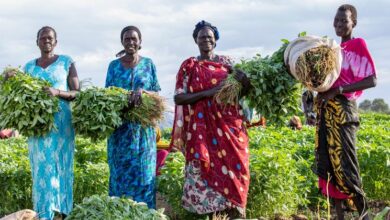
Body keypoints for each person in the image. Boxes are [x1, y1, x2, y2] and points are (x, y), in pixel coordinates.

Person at [170, 20, 251, 219]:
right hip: (201, 128)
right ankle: (213, 214)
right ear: (195, 40)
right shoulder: (189, 66)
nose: (206, 40)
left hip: (229, 125)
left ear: (215, 41)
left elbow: (244, 92)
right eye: (202, 37)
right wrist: (209, 93)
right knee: (206, 167)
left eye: (209, 37)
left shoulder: (228, 63)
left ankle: (234, 212)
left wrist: (244, 80)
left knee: (236, 166)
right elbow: (179, 97)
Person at [4, 26, 80, 220]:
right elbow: (20, 90)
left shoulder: (66, 62)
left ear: (56, 41)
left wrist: (58, 92)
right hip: (38, 127)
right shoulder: (29, 67)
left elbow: (77, 93)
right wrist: (10, 78)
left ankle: (62, 213)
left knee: (61, 167)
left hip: (61, 125)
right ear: (36, 42)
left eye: (50, 38)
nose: (46, 40)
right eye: (42, 38)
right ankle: (43, 214)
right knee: (41, 169)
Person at [315, 4, 377, 220]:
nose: (339, 24)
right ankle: (339, 216)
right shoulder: (331, 50)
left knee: (347, 166)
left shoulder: (357, 45)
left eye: (345, 21)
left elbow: (372, 80)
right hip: (326, 112)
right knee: (329, 165)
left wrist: (338, 90)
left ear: (354, 23)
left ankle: (365, 216)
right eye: (337, 20)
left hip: (344, 112)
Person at [105, 26, 161, 209]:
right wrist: (123, 100)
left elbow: (157, 95)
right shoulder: (113, 66)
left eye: (133, 39)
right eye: (127, 39)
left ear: (140, 41)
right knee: (120, 176)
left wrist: (143, 92)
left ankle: (145, 214)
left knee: (144, 175)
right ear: (122, 42)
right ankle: (120, 213)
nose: (130, 42)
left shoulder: (148, 64)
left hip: (143, 132)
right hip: (120, 132)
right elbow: (107, 97)